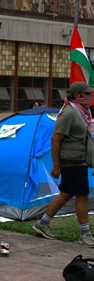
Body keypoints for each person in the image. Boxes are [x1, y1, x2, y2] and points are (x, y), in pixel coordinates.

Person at [32, 81, 94, 247]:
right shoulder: (69, 113)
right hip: (72, 161)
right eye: (87, 94)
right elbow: (55, 139)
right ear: (79, 95)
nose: (90, 97)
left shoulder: (83, 112)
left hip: (79, 158)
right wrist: (56, 165)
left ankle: (43, 223)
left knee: (66, 193)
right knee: (82, 195)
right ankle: (85, 234)